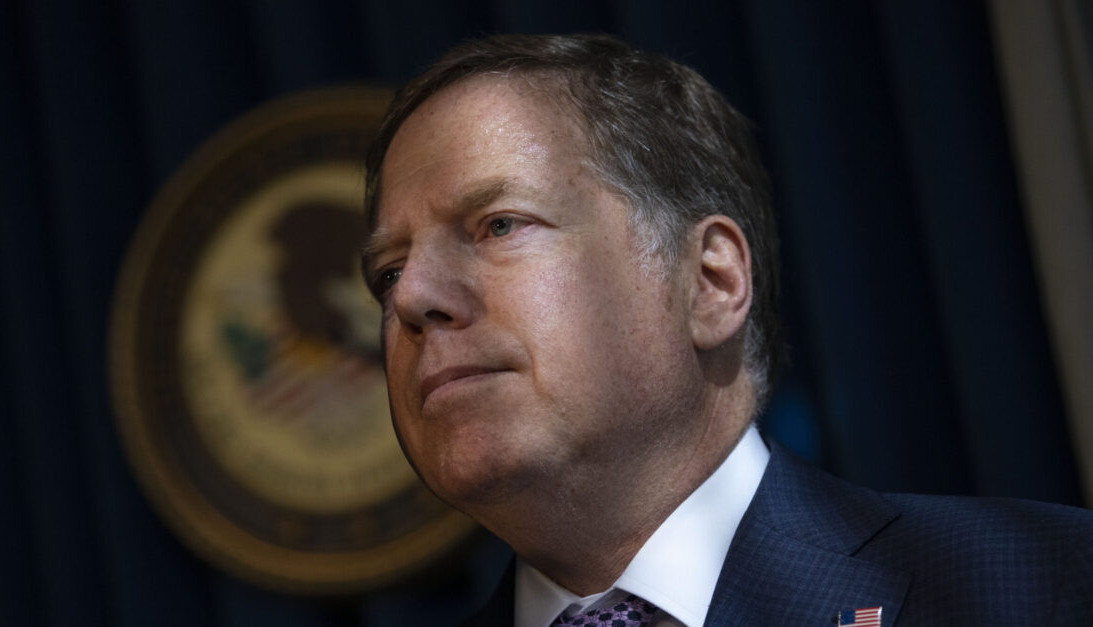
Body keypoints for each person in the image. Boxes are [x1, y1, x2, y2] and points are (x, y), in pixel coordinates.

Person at [359, 33, 1093, 626]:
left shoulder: (1047, 586)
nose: (414, 297)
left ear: (710, 282)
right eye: (388, 272)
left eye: (497, 225)